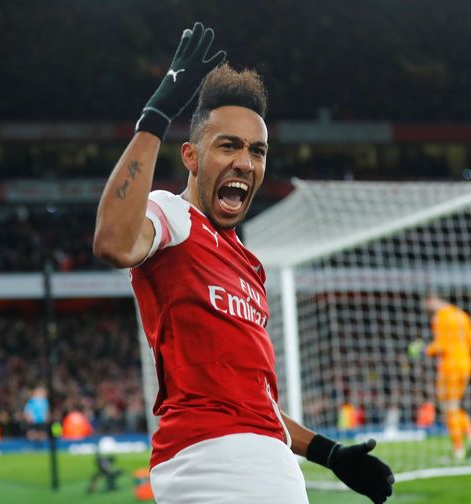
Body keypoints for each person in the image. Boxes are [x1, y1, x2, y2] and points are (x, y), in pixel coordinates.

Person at [93, 21, 394, 503]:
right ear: (191, 156)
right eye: (228, 145)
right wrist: (156, 115)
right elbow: (111, 240)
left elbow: (256, 402)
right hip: (209, 465)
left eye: (257, 151)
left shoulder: (250, 268)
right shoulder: (174, 216)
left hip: (269, 465)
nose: (245, 162)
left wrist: (328, 453)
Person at [417, 295, 471, 460]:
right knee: (454, 406)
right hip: (466, 364)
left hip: (449, 366)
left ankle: (459, 449)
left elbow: (441, 344)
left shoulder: (440, 317)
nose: (427, 308)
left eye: (427, 304)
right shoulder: (462, 315)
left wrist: (424, 350)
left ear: (433, 300)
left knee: (448, 408)